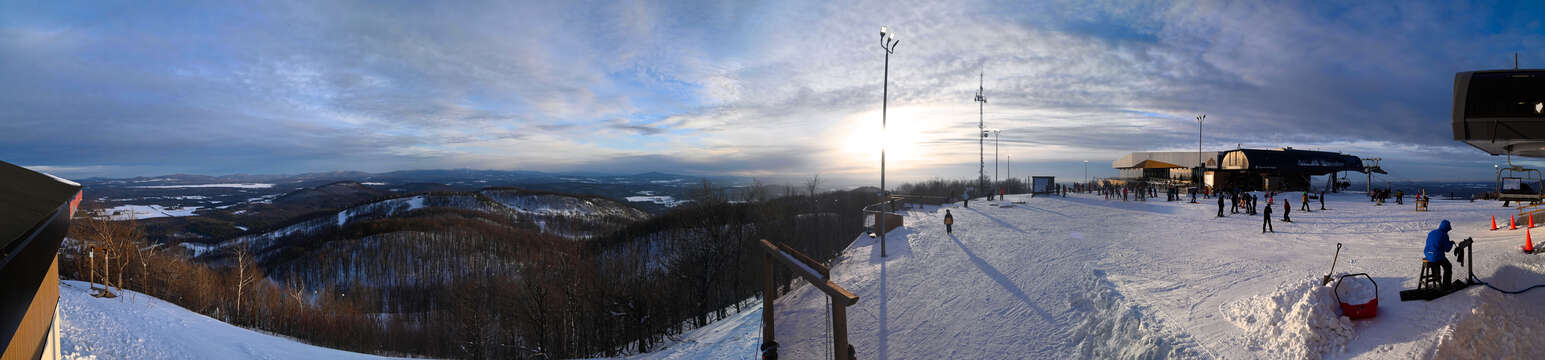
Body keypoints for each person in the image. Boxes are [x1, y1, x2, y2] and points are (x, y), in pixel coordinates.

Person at [1424, 220, 1455, 287]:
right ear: (1446, 228)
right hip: (1436, 256)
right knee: (1448, 266)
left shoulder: (1431, 232)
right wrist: (1451, 243)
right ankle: (1446, 285)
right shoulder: (1444, 235)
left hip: (1427, 254)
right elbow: (1447, 249)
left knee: (1435, 260)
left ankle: (1436, 279)